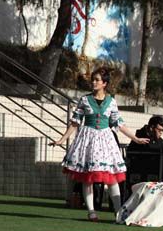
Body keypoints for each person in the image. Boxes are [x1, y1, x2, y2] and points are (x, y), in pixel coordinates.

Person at [50, 67, 149, 221]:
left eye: (97, 80)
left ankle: (118, 211)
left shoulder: (111, 102)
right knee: (87, 178)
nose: (94, 82)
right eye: (93, 80)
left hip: (105, 141)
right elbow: (75, 122)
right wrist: (61, 140)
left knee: (111, 177)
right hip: (88, 139)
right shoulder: (84, 100)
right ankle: (91, 211)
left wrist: (135, 138)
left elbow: (118, 123)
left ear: (104, 83)